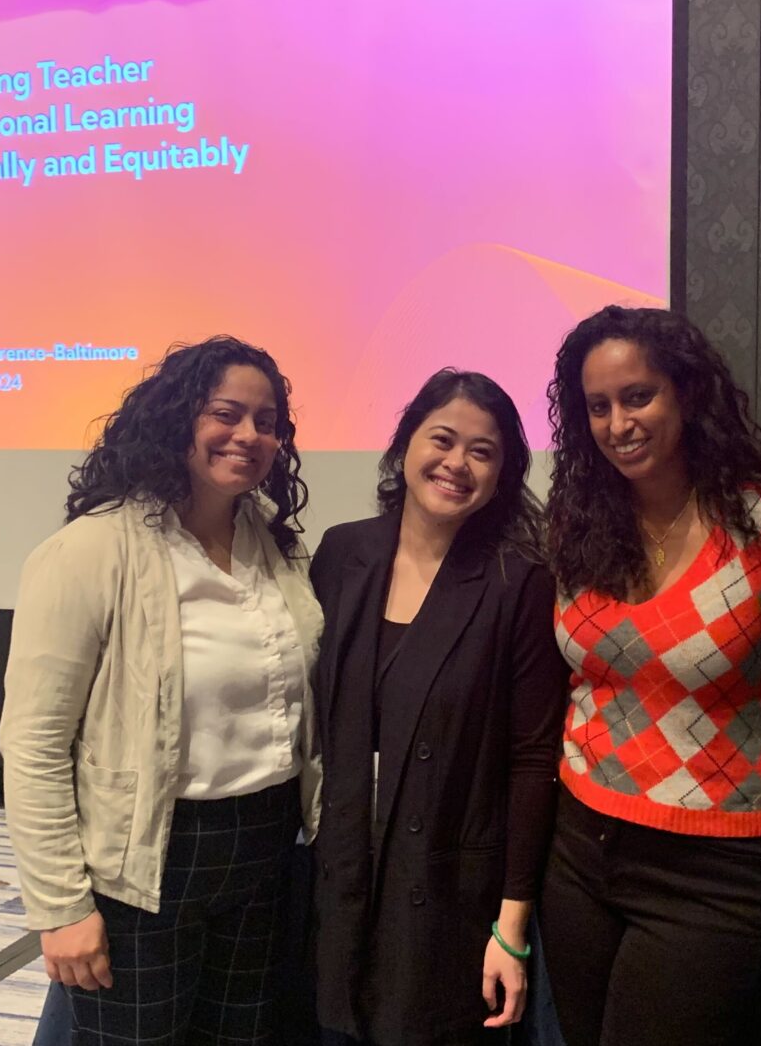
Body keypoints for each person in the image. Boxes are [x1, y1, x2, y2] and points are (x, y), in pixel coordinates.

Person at [0, 335, 323, 1046]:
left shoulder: (276, 547)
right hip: (147, 860)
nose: (249, 435)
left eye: (267, 421)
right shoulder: (91, 551)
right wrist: (60, 908)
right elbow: (34, 743)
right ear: (178, 418)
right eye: (227, 413)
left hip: (264, 846)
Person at [540, 305, 761, 1046]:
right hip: (579, 843)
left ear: (688, 394)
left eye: (639, 396)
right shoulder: (577, 520)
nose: (618, 423)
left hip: (715, 864)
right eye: (596, 406)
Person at [309, 369, 569, 1046]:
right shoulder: (343, 552)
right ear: (405, 445)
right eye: (442, 440)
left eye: (482, 452)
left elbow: (533, 757)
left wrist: (511, 924)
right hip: (339, 872)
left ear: (504, 473)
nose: (457, 464)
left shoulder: (519, 580)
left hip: (447, 887)